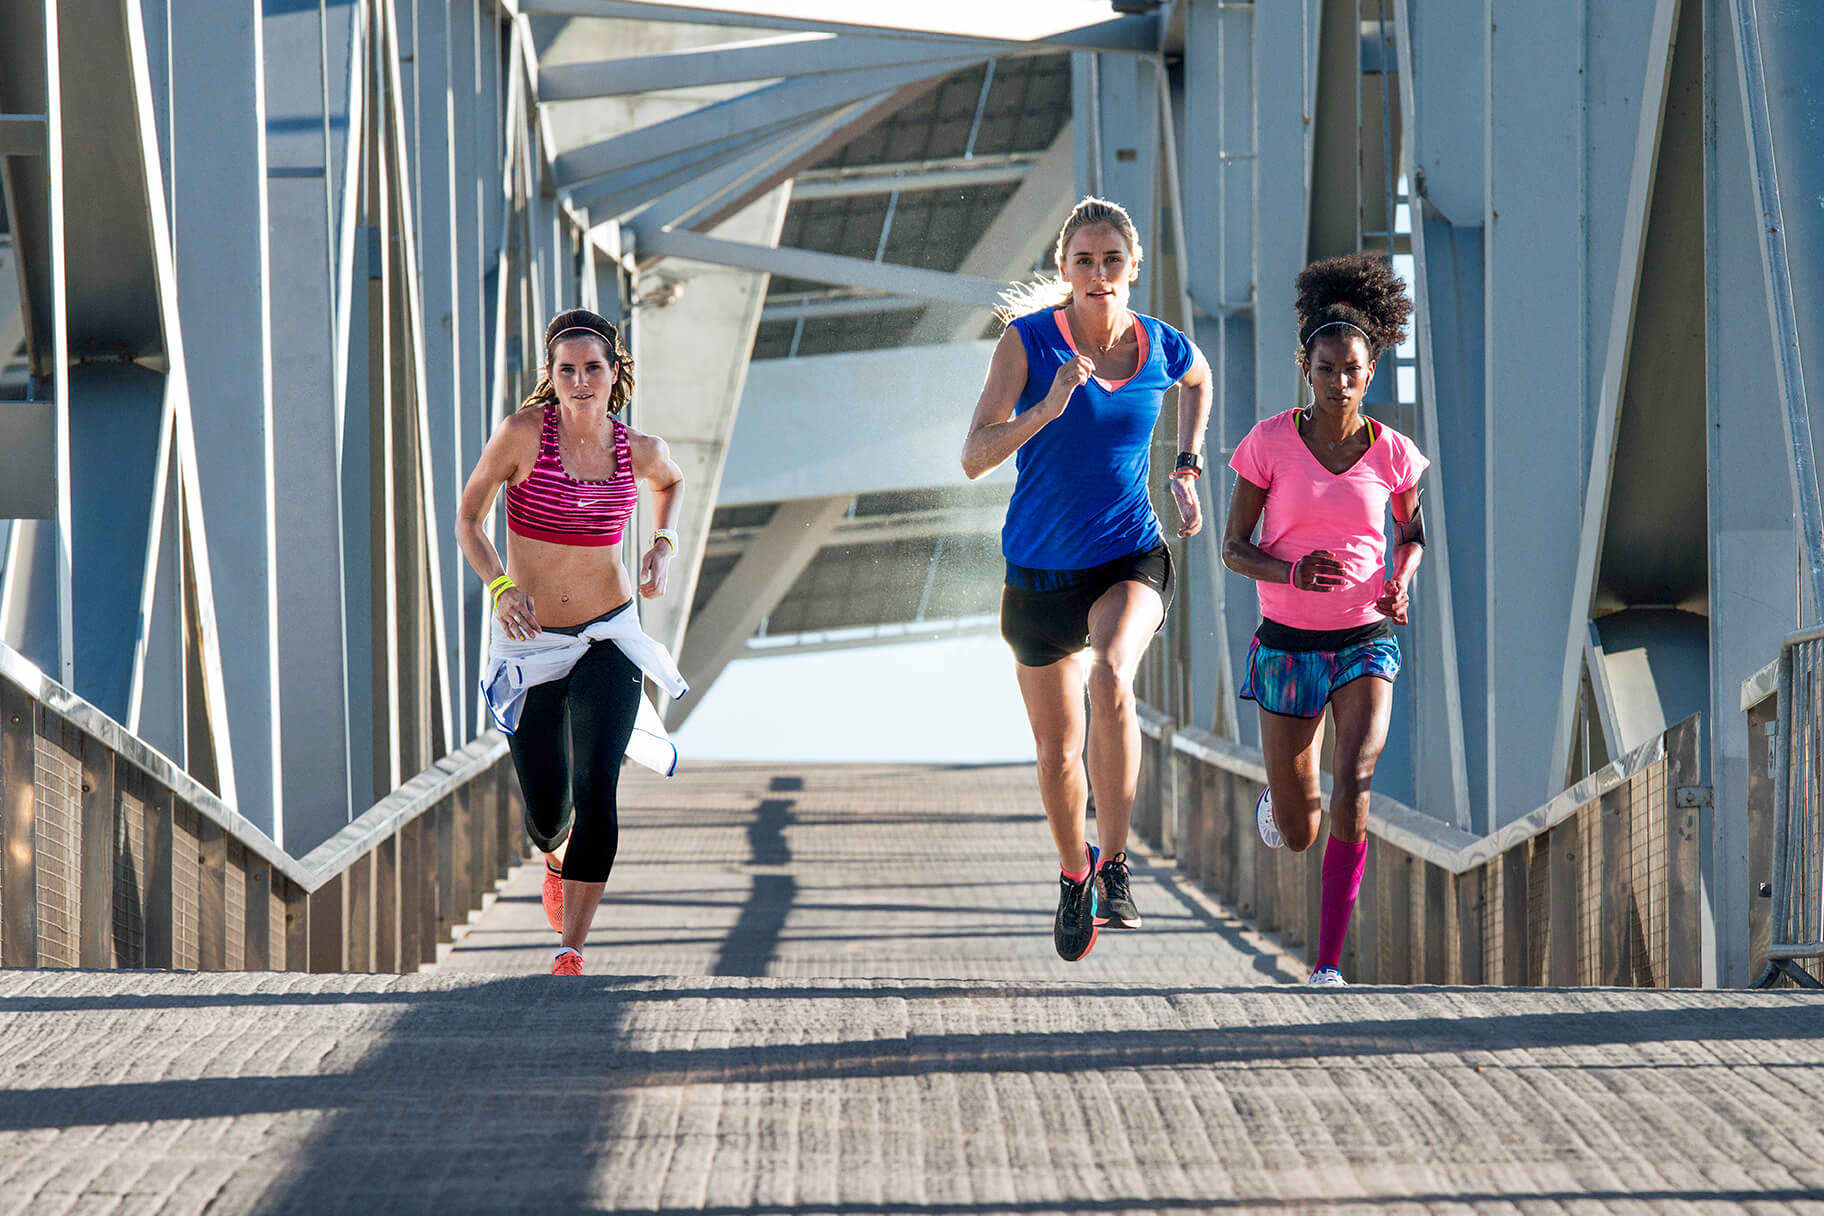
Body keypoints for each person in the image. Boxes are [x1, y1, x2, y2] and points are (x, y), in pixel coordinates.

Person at [962, 196, 1211, 962]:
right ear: (1065, 270)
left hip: (1127, 555)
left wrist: (1186, 465)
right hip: (1038, 576)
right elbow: (973, 457)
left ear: (1132, 269)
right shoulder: (1028, 342)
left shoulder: (1161, 345)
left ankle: (1117, 865)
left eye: (1112, 261)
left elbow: (1199, 379)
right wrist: (1048, 405)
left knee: (1109, 677)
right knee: (1056, 753)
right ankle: (1075, 873)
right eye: (1084, 261)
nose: (1099, 273)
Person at [456, 309, 686, 975]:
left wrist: (662, 544)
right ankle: (555, 858)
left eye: (592, 368)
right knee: (549, 810)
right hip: (531, 644)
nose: (580, 380)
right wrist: (501, 588)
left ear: (615, 375)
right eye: (567, 370)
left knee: (597, 784)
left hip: (609, 634)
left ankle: (571, 948)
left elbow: (671, 482)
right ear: (552, 377)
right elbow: (469, 519)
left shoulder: (639, 449)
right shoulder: (522, 435)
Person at [1221, 252, 1427, 986]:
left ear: (1371, 373)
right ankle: (1278, 802)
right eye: (1327, 369)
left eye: (1352, 370)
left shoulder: (1395, 455)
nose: (1340, 381)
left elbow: (1411, 536)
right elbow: (1233, 547)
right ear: (1305, 370)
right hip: (1286, 645)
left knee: (1356, 778)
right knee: (1301, 829)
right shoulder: (1268, 443)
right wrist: (1290, 572)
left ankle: (1328, 964)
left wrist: (1399, 583)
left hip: (1364, 639)